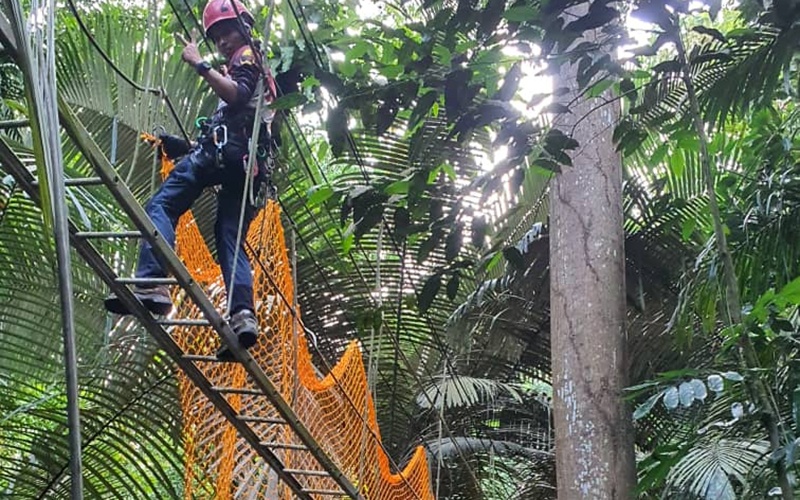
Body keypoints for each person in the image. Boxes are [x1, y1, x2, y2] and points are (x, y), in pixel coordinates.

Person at [105, 0, 275, 358]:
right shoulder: (256, 68)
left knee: (162, 204)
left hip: (226, 156)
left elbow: (237, 94)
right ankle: (243, 315)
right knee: (229, 235)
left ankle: (151, 282)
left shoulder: (247, 58)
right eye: (217, 37)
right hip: (246, 168)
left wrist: (200, 63)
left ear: (244, 27)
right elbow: (237, 118)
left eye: (227, 32)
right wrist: (182, 146)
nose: (223, 42)